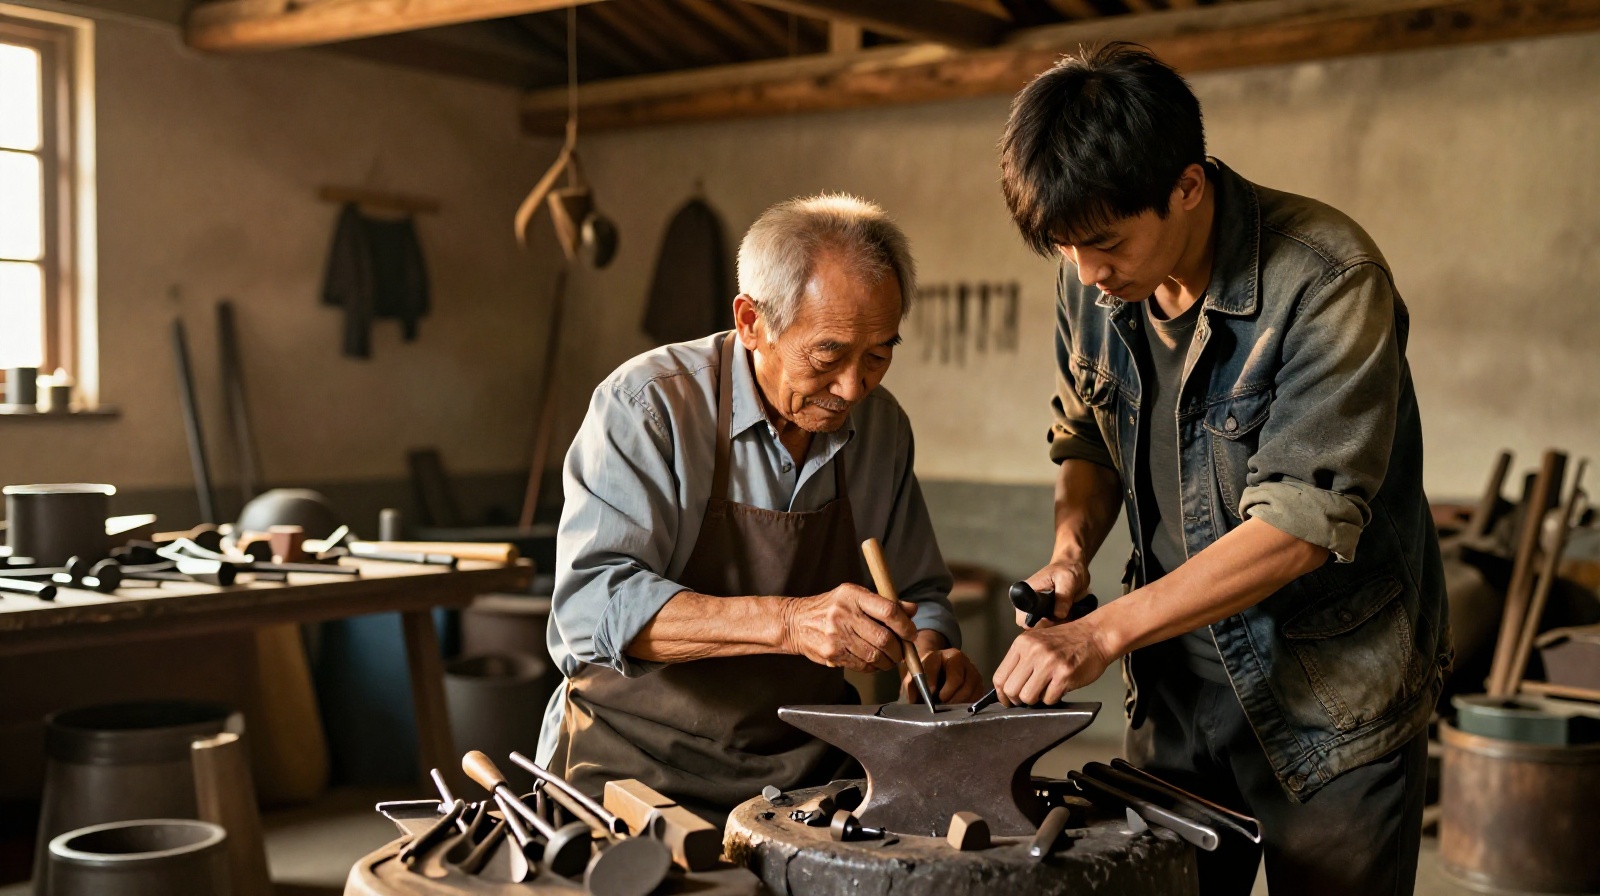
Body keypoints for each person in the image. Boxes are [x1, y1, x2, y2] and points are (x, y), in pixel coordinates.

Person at [991, 43, 1449, 895]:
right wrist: (1068, 555)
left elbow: (1297, 529)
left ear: (1188, 188)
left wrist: (1099, 631)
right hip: (1172, 700)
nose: (1090, 277)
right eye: (1065, 251)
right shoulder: (1093, 281)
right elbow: (1086, 439)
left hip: (1329, 710)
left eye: (1106, 244)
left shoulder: (1329, 279)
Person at [538, 193, 984, 823]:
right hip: (633, 763)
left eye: (879, 354)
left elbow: (921, 592)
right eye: (828, 355)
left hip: (804, 768)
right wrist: (791, 622)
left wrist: (931, 656)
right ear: (751, 322)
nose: (854, 388)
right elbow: (592, 609)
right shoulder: (648, 408)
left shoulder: (882, 430)